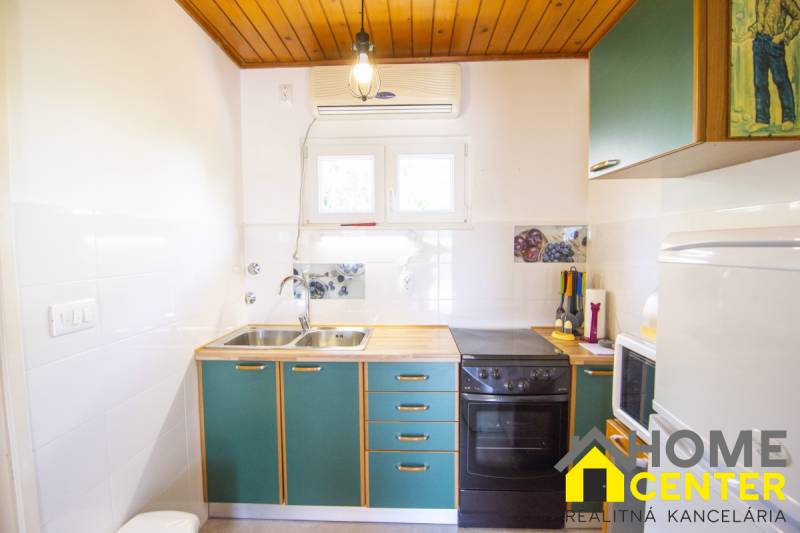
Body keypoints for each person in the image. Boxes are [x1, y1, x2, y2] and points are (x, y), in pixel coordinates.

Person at [747, 0, 800, 133]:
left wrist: (784, 35)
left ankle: (788, 119)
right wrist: (754, 28)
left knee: (781, 81)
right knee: (760, 83)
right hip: (759, 43)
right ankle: (762, 120)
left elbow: (798, 17)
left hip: (774, 44)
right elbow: (762, 22)